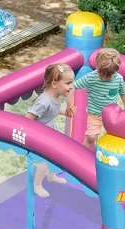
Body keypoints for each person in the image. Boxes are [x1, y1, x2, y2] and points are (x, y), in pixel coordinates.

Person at [26, 63, 76, 198]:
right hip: (41, 134)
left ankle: (51, 175)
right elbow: (27, 119)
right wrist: (32, 136)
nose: (71, 86)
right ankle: (37, 185)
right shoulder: (43, 102)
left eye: (72, 82)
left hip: (50, 130)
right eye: (68, 83)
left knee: (57, 154)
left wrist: (65, 112)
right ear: (54, 84)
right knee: (45, 160)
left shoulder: (56, 96)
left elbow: (53, 110)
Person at [69, 48, 125, 149]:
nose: (105, 78)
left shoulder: (118, 79)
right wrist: (69, 105)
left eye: (109, 75)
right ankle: (81, 153)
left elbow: (123, 92)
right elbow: (73, 87)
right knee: (91, 137)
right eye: (102, 75)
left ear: (115, 70)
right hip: (95, 114)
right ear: (97, 66)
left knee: (112, 137)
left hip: (111, 115)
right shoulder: (90, 77)